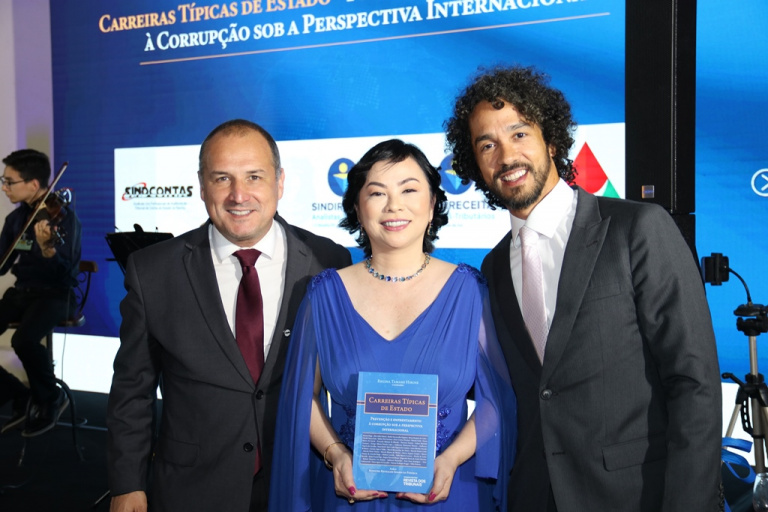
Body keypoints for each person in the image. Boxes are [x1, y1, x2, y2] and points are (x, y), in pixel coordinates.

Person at [444, 65, 723, 511]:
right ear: (475, 163)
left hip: (636, 497)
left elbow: (694, 382)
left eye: (519, 134)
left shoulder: (637, 229)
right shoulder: (492, 267)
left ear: (552, 141)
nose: (506, 156)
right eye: (487, 145)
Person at [106, 119, 351, 512]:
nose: (239, 195)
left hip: (300, 482)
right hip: (193, 488)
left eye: (254, 176)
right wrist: (127, 483)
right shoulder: (153, 271)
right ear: (202, 186)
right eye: (222, 178)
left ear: (280, 182)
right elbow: (132, 389)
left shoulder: (329, 261)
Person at [268, 139, 517, 511]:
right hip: (351, 495)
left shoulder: (469, 292)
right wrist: (335, 453)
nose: (394, 205)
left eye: (409, 190)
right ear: (357, 208)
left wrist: (452, 459)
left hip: (447, 492)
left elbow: (495, 401)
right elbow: (302, 397)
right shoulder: (324, 294)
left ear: (432, 205)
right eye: (377, 193)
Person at [0, 148, 81, 438]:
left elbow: (65, 272)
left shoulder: (63, 219)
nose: (4, 187)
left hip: (56, 294)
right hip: (23, 292)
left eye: (9, 181)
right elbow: (3, 263)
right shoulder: (16, 219)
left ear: (33, 184)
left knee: (23, 340)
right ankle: (17, 393)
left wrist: (48, 250)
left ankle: (49, 399)